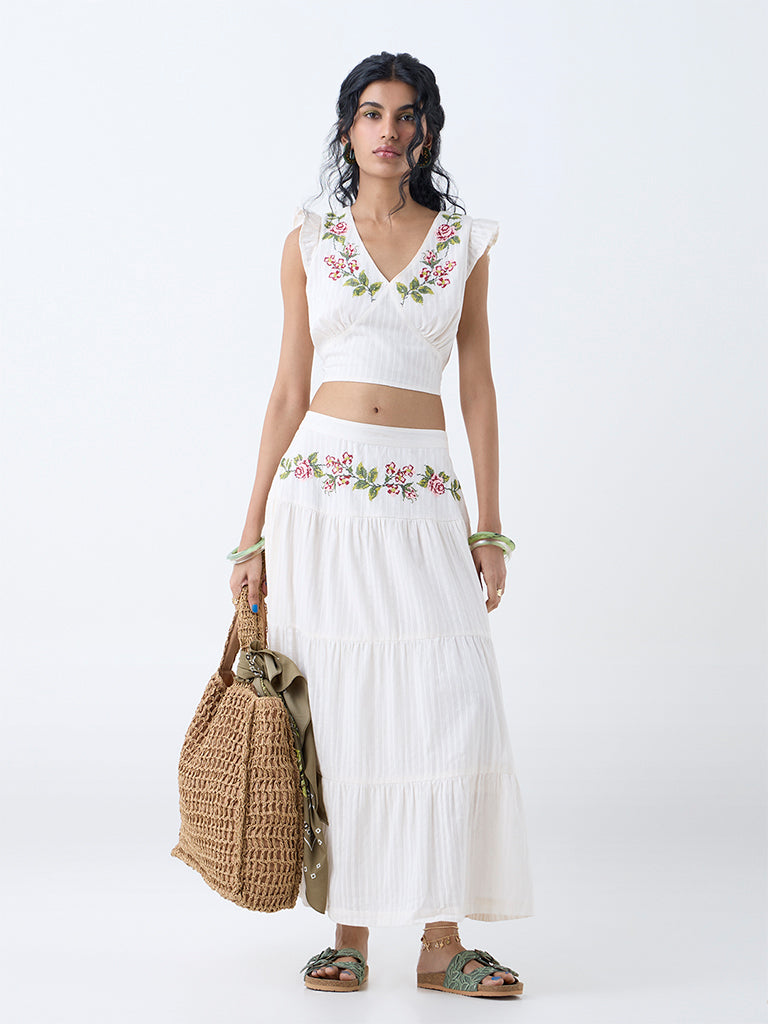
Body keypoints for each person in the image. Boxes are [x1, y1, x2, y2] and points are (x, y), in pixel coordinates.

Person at [228, 51, 533, 997]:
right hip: (321, 501)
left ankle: (442, 942)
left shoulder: (463, 244)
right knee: (342, 708)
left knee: (451, 703)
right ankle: (349, 935)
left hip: (421, 502)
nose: (388, 130)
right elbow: (288, 390)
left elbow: (476, 389)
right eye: (371, 113)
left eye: (405, 115)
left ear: (426, 132)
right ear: (348, 129)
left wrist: (490, 526)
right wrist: (250, 532)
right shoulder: (309, 240)